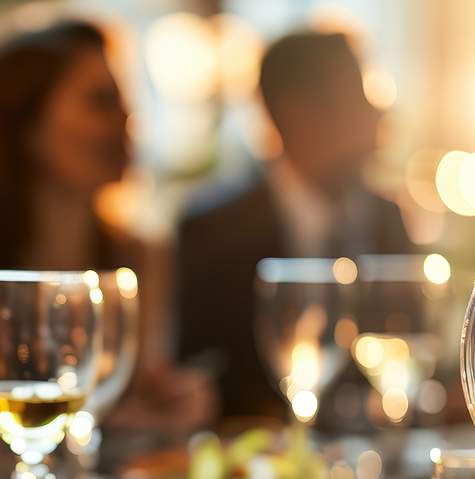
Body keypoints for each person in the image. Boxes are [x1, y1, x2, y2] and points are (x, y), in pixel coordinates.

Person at [0, 20, 215, 479]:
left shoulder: (139, 257)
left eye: (124, 100)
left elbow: (131, 409)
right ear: (24, 126)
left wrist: (179, 408)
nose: (126, 117)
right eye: (100, 101)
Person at [176, 31, 415, 421]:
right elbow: (206, 381)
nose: (378, 113)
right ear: (297, 114)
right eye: (357, 96)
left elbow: (413, 348)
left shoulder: (389, 218)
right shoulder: (212, 232)